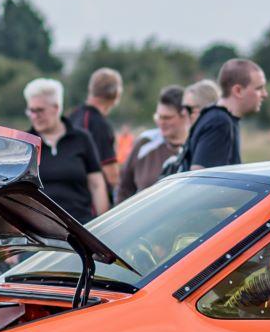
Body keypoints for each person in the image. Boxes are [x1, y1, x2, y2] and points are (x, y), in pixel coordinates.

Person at [23, 78, 108, 222]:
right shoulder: (25, 143)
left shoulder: (82, 138)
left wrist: (103, 222)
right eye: (31, 111)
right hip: (41, 230)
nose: (35, 116)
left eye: (40, 110)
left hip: (81, 226)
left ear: (56, 108)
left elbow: (96, 184)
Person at [179, 59, 266, 171]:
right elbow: (201, 178)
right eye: (259, 88)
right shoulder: (219, 122)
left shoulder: (218, 118)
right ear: (238, 90)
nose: (265, 94)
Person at [119, 86, 189, 202]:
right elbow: (124, 188)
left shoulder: (195, 146)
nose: (161, 122)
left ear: (184, 115)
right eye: (158, 116)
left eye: (167, 117)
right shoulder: (145, 142)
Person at [70, 68, 124, 195]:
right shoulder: (100, 124)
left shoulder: (73, 116)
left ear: (91, 89)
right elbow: (111, 175)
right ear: (116, 94)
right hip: (91, 198)